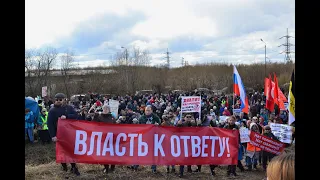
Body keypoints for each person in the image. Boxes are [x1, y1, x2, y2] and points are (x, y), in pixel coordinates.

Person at [47, 93, 80, 176]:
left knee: (70, 150)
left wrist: (67, 116)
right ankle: (64, 167)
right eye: (57, 100)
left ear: (64, 100)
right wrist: (53, 135)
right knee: (61, 151)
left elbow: (76, 116)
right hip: (59, 134)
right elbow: (49, 124)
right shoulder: (52, 110)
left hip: (69, 133)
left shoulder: (69, 108)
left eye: (60, 100)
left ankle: (73, 167)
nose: (58, 101)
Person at [92, 104, 116, 174]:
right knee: (104, 154)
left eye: (106, 109)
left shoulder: (112, 118)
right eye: (104, 108)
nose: (105, 110)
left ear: (109, 110)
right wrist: (95, 116)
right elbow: (93, 125)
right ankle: (106, 167)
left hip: (111, 139)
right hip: (102, 138)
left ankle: (112, 167)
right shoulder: (99, 117)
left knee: (112, 154)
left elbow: (116, 127)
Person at [137, 105, 160, 173]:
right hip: (144, 137)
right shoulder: (141, 118)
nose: (147, 112)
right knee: (140, 151)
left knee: (153, 152)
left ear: (151, 111)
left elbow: (160, 125)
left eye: (148, 110)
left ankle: (153, 168)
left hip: (153, 137)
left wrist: (157, 125)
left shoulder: (156, 117)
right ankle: (136, 164)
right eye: (146, 110)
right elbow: (138, 127)